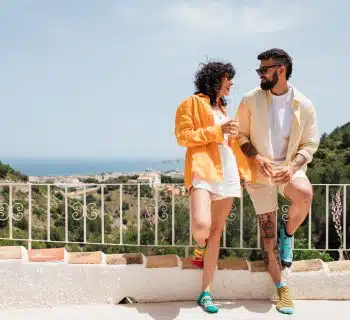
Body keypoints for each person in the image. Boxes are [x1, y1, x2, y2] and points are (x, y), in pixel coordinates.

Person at [236, 48, 319, 315]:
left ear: (280, 69)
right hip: (259, 175)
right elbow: (240, 136)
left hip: (288, 170)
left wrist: (294, 166)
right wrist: (256, 157)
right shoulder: (250, 100)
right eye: (259, 70)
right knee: (268, 237)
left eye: (264, 70)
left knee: (305, 194)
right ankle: (282, 288)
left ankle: (290, 233)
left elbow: (310, 144)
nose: (260, 74)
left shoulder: (304, 104)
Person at [174, 61, 250, 314]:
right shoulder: (191, 103)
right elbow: (184, 137)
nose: (231, 84)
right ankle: (199, 246)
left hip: (227, 171)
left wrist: (243, 170)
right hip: (203, 169)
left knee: (216, 232)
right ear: (216, 79)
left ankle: (206, 292)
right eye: (228, 79)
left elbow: (230, 145)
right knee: (201, 228)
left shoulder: (224, 108)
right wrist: (218, 130)